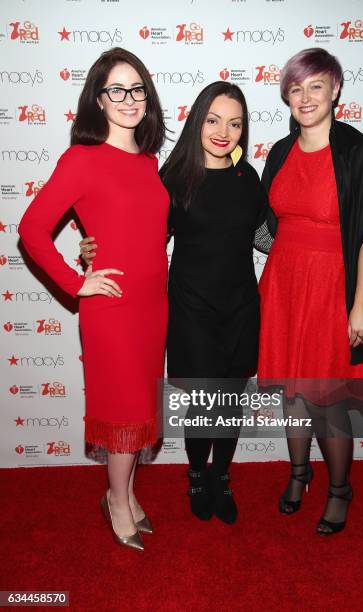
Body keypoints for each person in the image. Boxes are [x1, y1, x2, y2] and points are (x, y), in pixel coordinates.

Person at [81, 82, 266, 524]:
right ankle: (197, 475)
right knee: (203, 400)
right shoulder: (172, 179)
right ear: (198, 120)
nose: (224, 131)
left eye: (235, 123)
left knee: (231, 400)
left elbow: (262, 237)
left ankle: (221, 475)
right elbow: (142, 236)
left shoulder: (248, 177)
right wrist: (95, 249)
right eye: (214, 120)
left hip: (241, 305)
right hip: (191, 308)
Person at [18, 47, 169, 551]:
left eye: (137, 89)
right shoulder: (81, 158)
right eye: (116, 90)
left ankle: (124, 493)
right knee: (124, 413)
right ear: (98, 100)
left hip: (153, 307)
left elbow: (135, 228)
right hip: (112, 309)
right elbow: (32, 228)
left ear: (147, 97)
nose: (128, 99)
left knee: (140, 409)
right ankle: (117, 500)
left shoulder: (149, 161)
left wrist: (91, 245)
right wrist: (75, 279)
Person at [255, 48, 363, 535]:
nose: (306, 97)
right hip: (284, 285)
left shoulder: (359, 152)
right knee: (294, 394)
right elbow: (264, 224)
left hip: (333, 288)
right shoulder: (279, 151)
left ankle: (340, 489)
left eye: (316, 86)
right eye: (296, 89)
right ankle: (299, 474)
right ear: (286, 97)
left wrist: (362, 306)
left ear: (335, 89)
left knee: (326, 398)